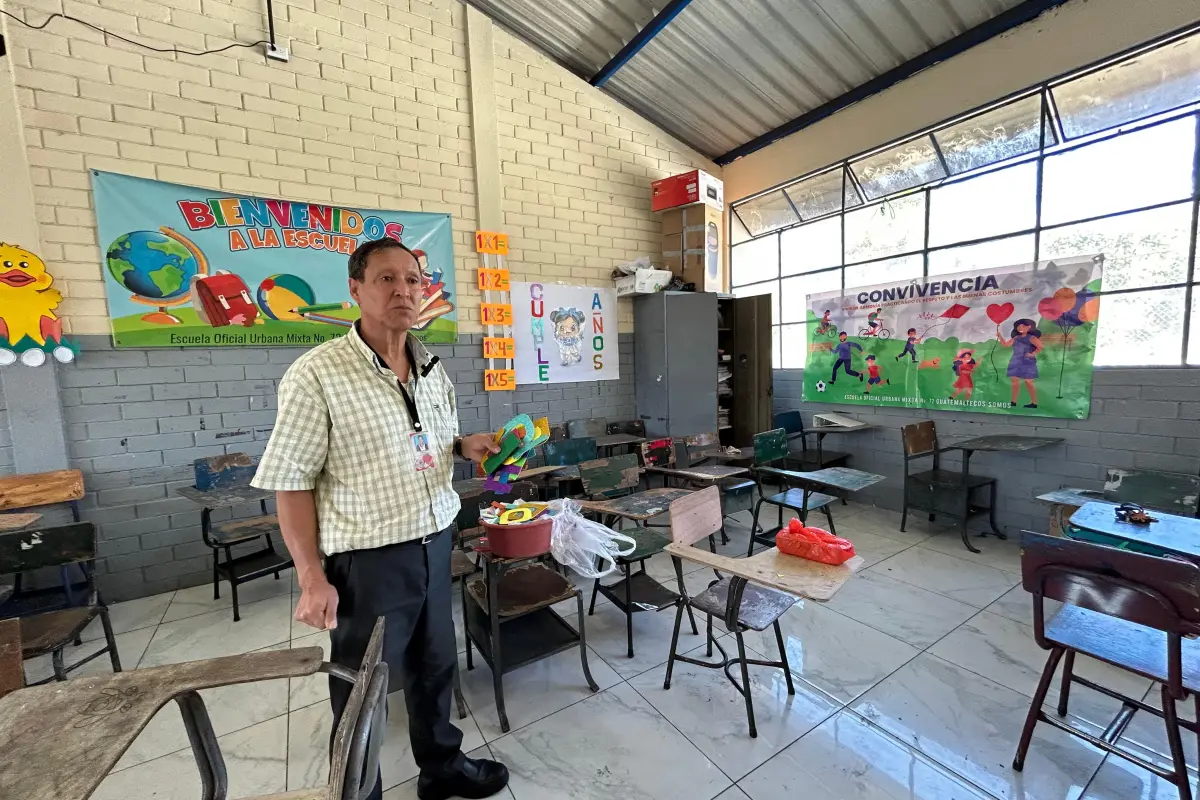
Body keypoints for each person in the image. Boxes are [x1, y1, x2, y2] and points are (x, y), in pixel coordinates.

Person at [252, 237, 508, 800]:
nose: (404, 290)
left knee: (434, 664)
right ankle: (358, 791)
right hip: (368, 561)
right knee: (363, 686)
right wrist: (311, 577)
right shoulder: (316, 374)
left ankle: (441, 768)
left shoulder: (432, 366)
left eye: (413, 280)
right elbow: (291, 481)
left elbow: (430, 440)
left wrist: (465, 445)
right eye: (387, 279)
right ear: (355, 290)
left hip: (435, 542)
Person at [996, 318, 1043, 408]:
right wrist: (1000, 336)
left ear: (1029, 327)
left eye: (1022, 326)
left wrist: (1032, 354)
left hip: (1027, 362)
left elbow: (1040, 346)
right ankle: (1013, 402)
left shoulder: (1032, 338)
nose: (1020, 328)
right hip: (1016, 360)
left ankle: (1034, 402)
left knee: (1028, 382)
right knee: (1014, 381)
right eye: (1018, 326)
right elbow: (1006, 345)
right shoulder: (1016, 338)